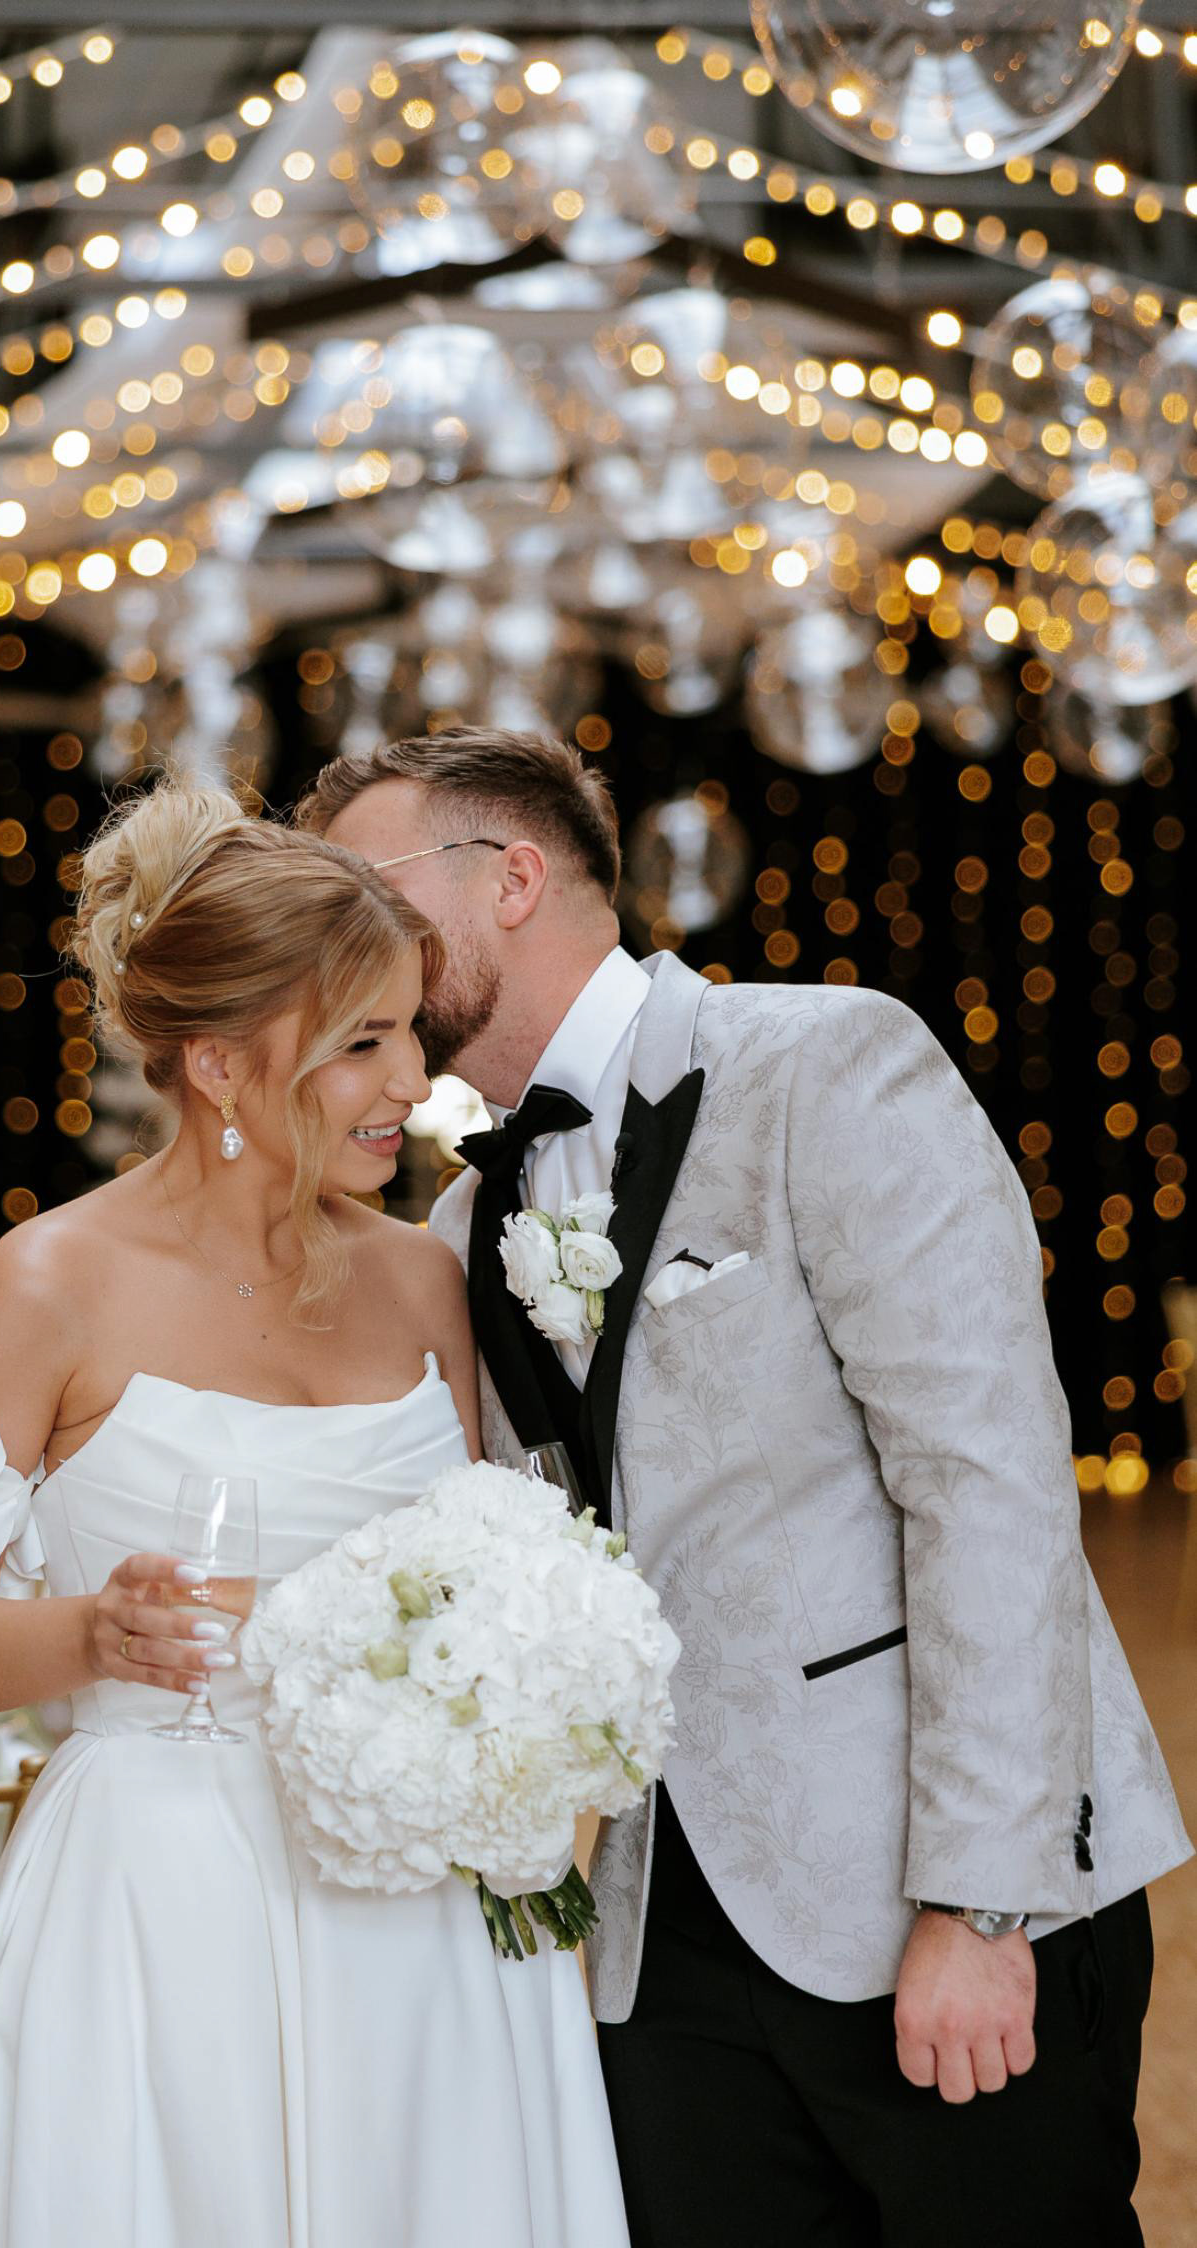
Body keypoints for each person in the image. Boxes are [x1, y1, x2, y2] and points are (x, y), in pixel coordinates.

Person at [301, 724, 1193, 2248]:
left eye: (368, 895)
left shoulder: (824, 1066)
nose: (345, 945)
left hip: (933, 1883)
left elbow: (984, 1489)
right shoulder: (458, 1227)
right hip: (663, 1927)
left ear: (512, 879)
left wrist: (979, 1904)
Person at [0, 782, 630, 2248]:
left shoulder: (424, 1278)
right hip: (160, 1904)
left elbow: (493, 1584)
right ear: (222, 1066)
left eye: (408, 1034)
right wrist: (89, 1636)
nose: (409, 1081)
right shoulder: (49, 1284)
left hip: (415, 1913)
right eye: (361, 1043)